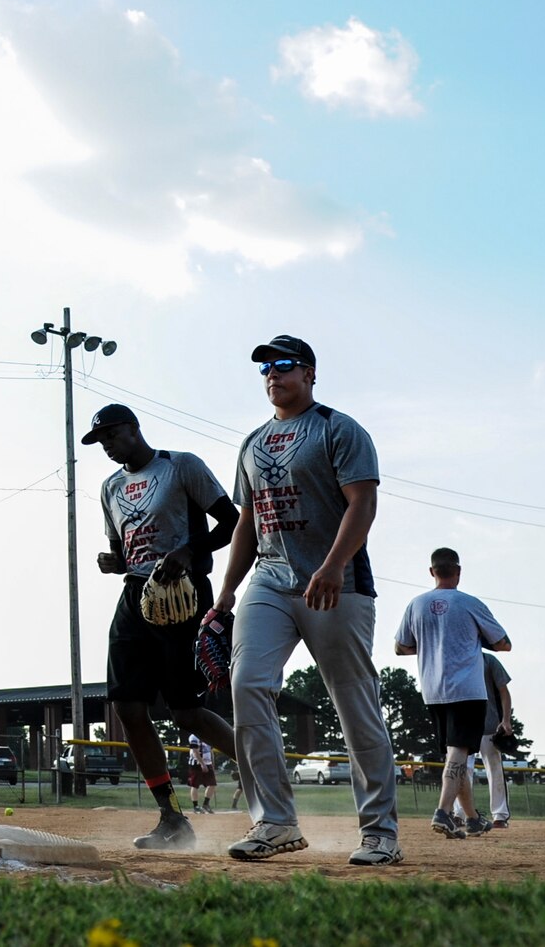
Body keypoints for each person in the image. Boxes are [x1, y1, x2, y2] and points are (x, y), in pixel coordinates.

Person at [208, 335, 402, 867]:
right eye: (266, 367)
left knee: (352, 703)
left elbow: (362, 503)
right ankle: (275, 821)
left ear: (310, 373)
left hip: (336, 583)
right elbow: (248, 521)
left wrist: (334, 565)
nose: (274, 373)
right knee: (246, 684)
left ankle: (380, 832)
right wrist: (226, 592)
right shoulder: (252, 443)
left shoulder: (339, 429)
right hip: (269, 582)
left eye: (285, 364)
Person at [84, 403, 241, 851]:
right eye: (102, 442)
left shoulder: (180, 467)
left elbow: (230, 523)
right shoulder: (110, 487)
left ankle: (260, 776)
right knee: (128, 707)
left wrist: (189, 552)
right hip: (137, 596)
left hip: (183, 594)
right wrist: (113, 562)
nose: (108, 447)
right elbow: (122, 550)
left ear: (133, 429)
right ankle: (172, 817)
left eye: (112, 436)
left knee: (186, 711)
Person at [395, 548, 511, 838]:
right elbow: (503, 644)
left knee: (455, 755)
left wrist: (434, 644)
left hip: (433, 690)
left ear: (432, 571)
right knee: (459, 754)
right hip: (467, 690)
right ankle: (443, 812)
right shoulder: (469, 603)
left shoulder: (416, 604)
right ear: (458, 571)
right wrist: (470, 639)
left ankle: (472, 818)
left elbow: (401, 647)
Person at [460, 652, 515, 830]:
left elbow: (504, 691)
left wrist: (505, 720)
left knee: (494, 769)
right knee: (462, 769)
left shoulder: (488, 660)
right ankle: (459, 814)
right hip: (464, 725)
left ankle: (499, 816)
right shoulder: (457, 658)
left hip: (490, 724)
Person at [185, 734, 217, 815]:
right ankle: (195, 806)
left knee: (212, 784)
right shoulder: (194, 736)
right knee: (195, 785)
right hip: (196, 764)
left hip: (208, 763)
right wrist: (202, 764)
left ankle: (206, 804)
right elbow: (195, 751)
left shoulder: (208, 736)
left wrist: (212, 764)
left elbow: (211, 751)